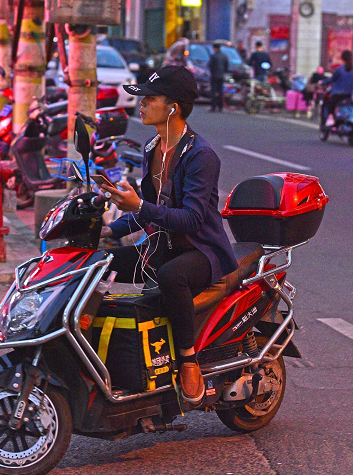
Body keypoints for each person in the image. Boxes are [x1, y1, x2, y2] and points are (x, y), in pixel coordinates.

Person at [99, 65, 238, 405]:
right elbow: (149, 206)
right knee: (99, 262)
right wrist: (108, 230)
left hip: (202, 253)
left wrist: (138, 207)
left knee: (169, 276)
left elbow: (191, 219)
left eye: (151, 98)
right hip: (163, 245)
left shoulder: (201, 156)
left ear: (172, 107)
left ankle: (188, 359)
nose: (142, 105)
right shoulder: (152, 148)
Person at [320, 50, 353, 127]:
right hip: (352, 95)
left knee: (329, 104)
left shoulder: (339, 69)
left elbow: (332, 79)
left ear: (342, 58)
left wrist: (322, 82)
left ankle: (331, 118)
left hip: (338, 94)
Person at [208, 42, 228, 112]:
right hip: (221, 76)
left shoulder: (213, 56)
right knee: (220, 91)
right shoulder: (224, 56)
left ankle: (213, 106)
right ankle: (220, 107)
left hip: (214, 75)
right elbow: (226, 66)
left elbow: (210, 65)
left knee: (213, 91)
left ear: (215, 48)